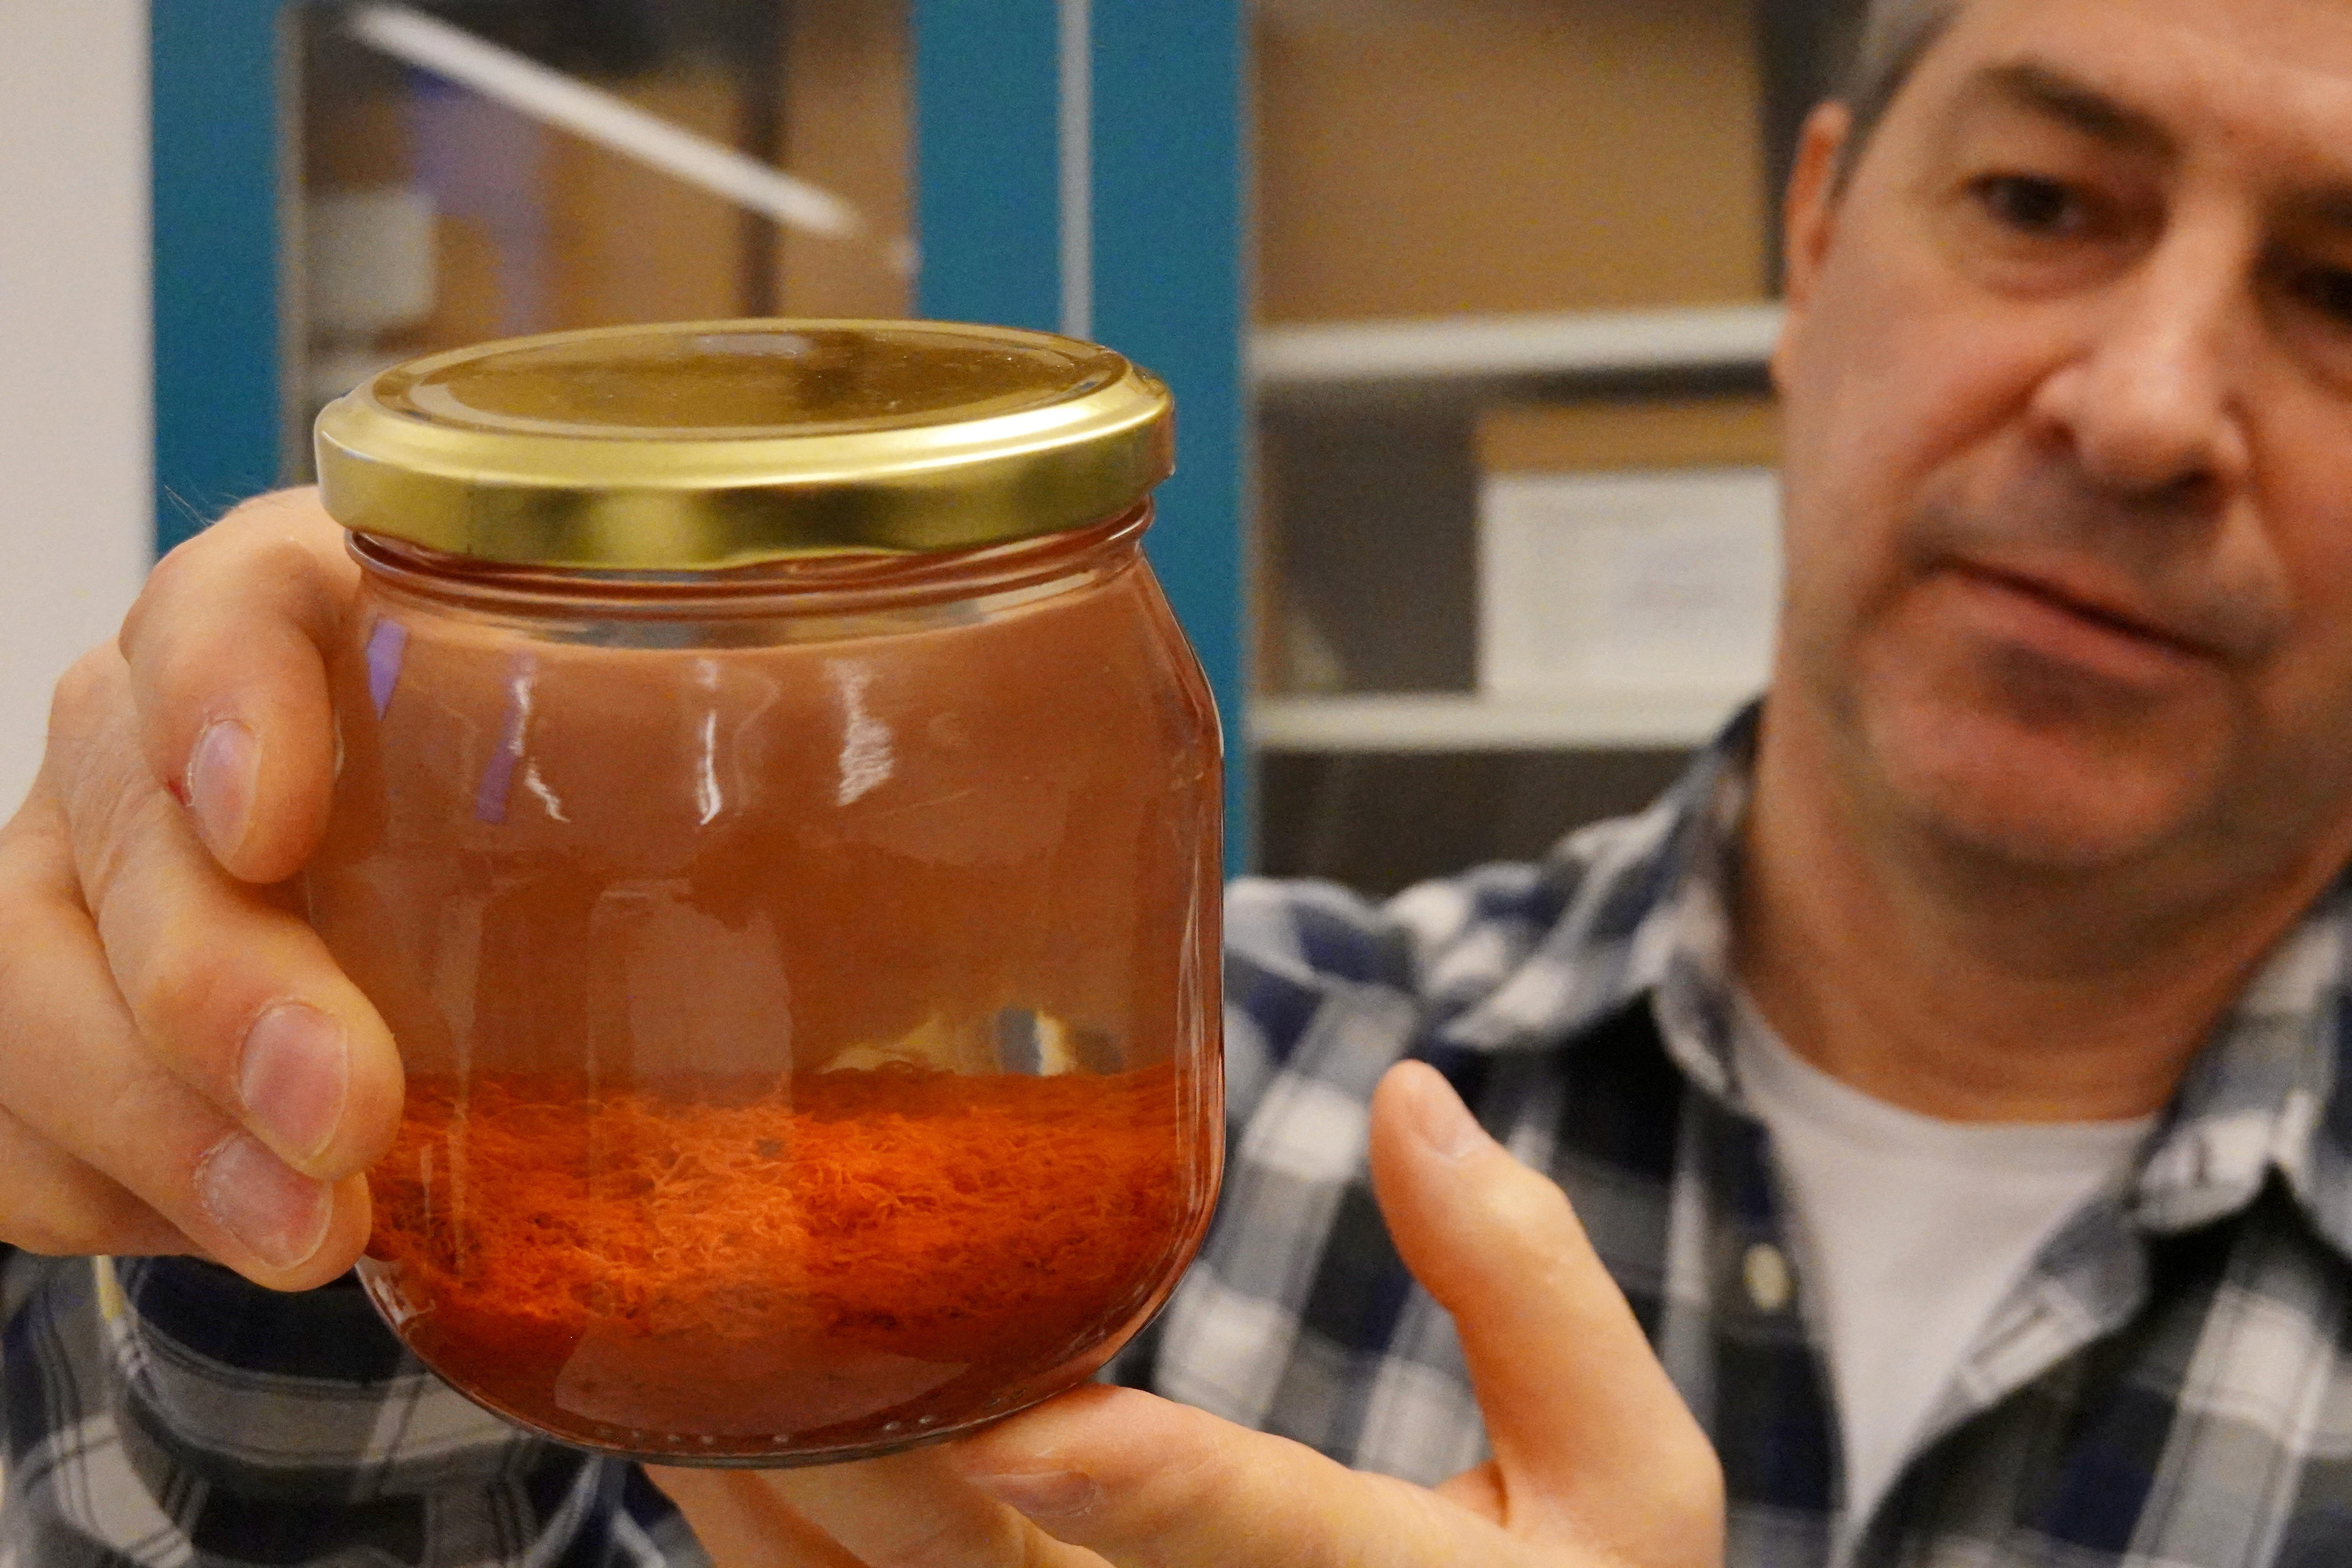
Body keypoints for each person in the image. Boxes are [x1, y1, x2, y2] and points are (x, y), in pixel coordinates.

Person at [14, 0, 2352, 1559]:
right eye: (2040, 203)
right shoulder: (1042, 1108)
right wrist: (257, 1150)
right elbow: (268, 1523)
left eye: (2341, 291)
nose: (2143, 410)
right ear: (1815, 233)